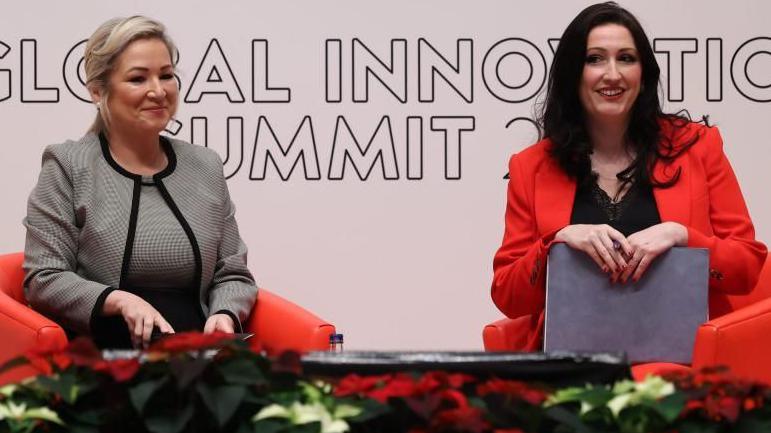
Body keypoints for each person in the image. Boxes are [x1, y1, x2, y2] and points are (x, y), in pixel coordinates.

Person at [491, 2, 767, 351]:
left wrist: (683, 236)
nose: (613, 74)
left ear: (643, 73)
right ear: (573, 73)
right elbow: (507, 295)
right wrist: (555, 243)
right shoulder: (530, 166)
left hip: (683, 370)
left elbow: (747, 268)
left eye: (626, 58)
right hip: (574, 371)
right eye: (594, 59)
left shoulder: (698, 146)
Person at [23, 16, 258, 349]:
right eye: (137, 78)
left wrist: (225, 313)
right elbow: (43, 279)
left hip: (198, 355)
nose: (158, 91)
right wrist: (120, 301)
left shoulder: (205, 166)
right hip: (104, 351)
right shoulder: (67, 165)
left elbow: (232, 273)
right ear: (97, 91)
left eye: (166, 75)